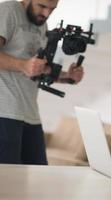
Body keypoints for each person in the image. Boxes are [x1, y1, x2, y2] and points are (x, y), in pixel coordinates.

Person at [0, 0, 84, 165]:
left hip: (30, 115)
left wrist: (68, 77)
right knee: (7, 183)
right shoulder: (8, 10)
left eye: (52, 9)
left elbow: (37, 71)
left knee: (36, 179)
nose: (46, 14)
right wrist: (23, 65)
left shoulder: (42, 26)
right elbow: (26, 66)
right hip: (4, 113)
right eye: (42, 6)